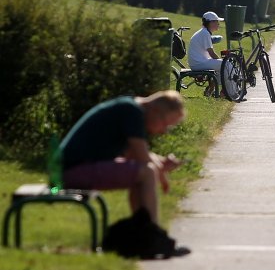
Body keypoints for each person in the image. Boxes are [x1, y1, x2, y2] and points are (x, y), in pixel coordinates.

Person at [59, 91, 186, 226]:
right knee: (147, 172)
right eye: (165, 124)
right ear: (155, 110)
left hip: (69, 170)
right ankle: (153, 238)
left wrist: (160, 164)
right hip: (71, 172)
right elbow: (144, 159)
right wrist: (160, 172)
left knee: (142, 172)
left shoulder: (130, 108)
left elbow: (135, 155)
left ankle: (143, 235)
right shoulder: (132, 112)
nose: (164, 131)